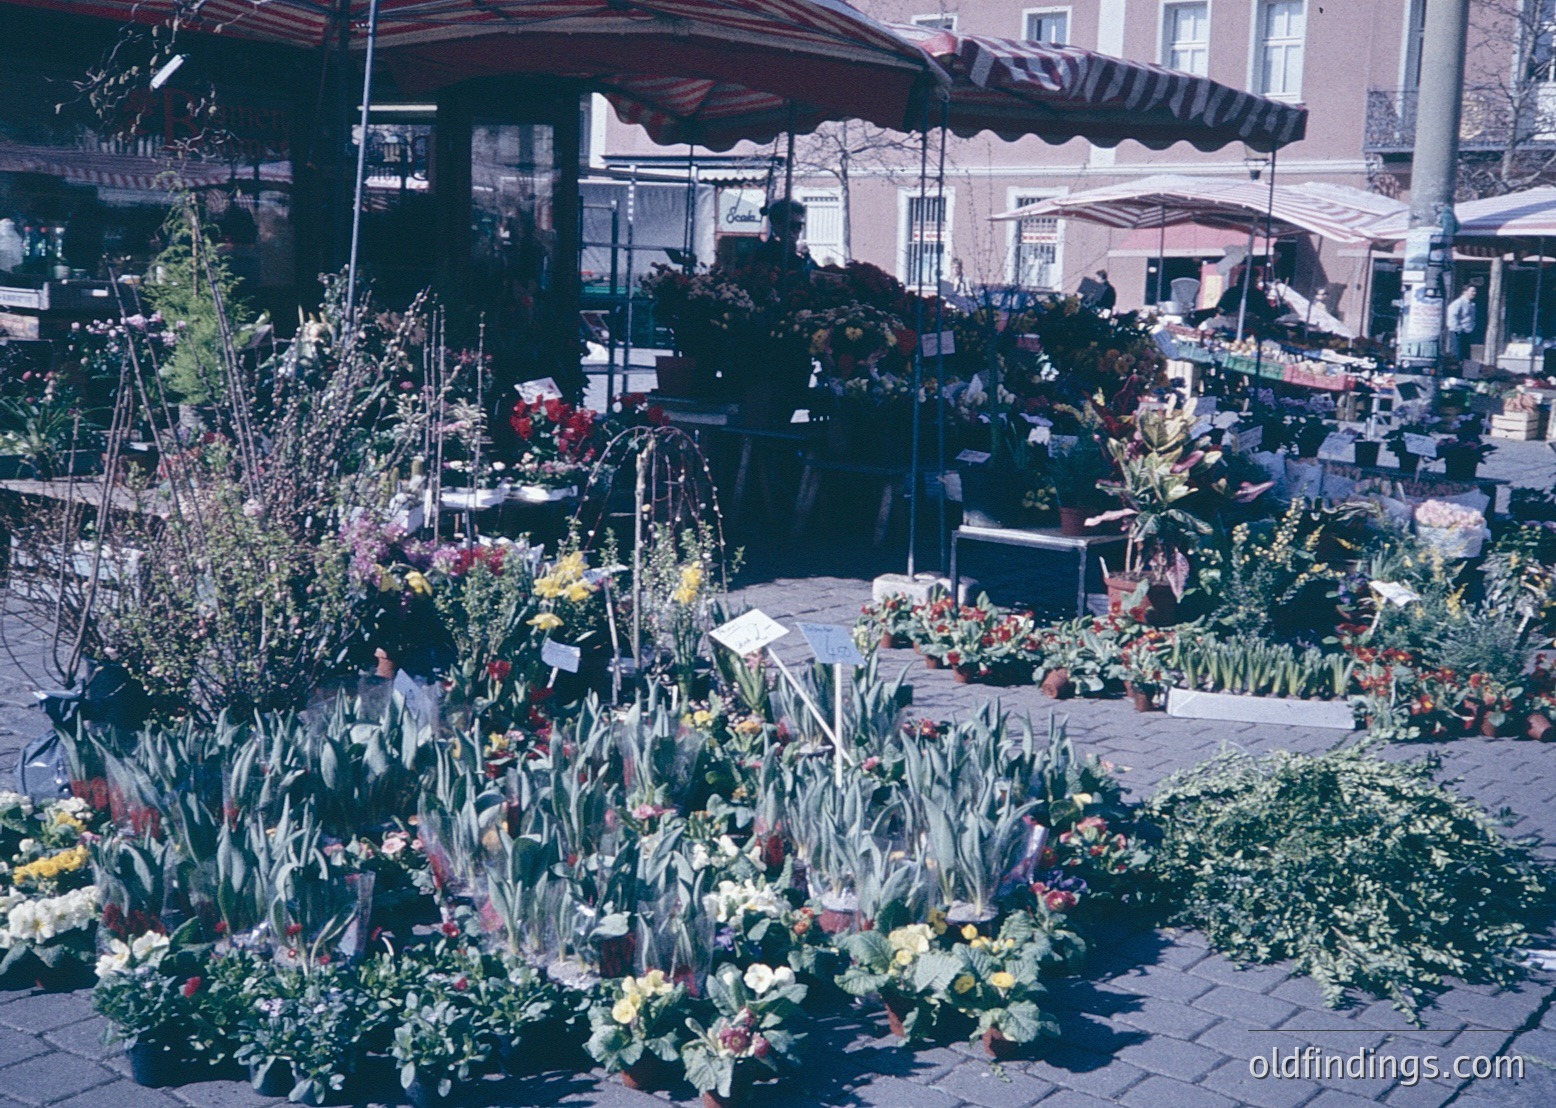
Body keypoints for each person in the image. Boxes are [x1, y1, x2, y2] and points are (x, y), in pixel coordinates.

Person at [1447, 285, 1478, 361]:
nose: (1474, 293)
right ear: (1465, 292)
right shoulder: (1458, 303)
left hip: (1467, 332)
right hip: (1457, 332)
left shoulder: (1472, 304)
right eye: (1472, 291)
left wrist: (1472, 327)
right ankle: (1455, 371)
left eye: (1475, 291)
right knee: (1457, 354)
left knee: (1466, 355)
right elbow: (1452, 316)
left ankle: (1464, 371)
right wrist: (1458, 329)